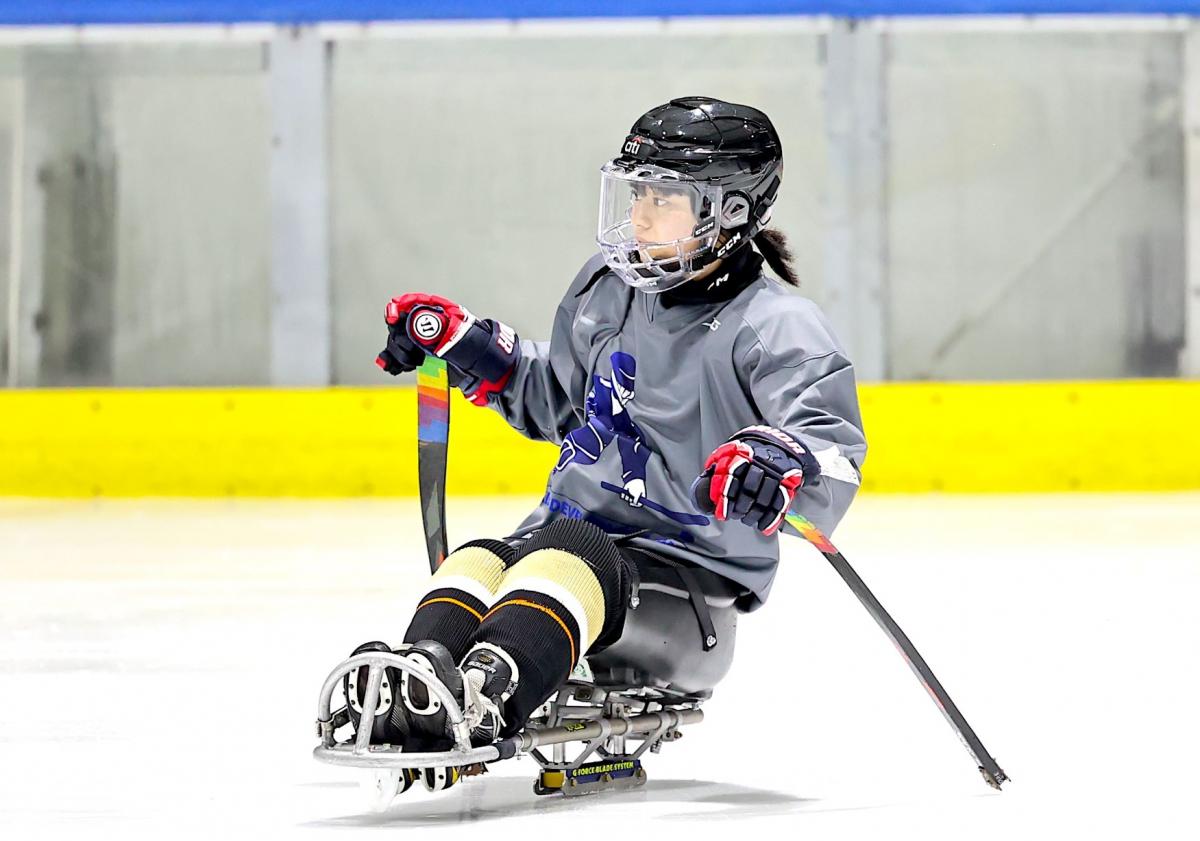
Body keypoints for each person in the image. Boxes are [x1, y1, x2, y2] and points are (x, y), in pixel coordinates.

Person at [351, 96, 867, 788]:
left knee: (571, 553)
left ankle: (481, 696)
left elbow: (831, 447)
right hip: (564, 554)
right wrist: (477, 350)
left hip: (688, 595)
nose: (641, 216)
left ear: (729, 212)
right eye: (638, 193)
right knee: (484, 556)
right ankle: (419, 683)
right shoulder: (607, 290)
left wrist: (780, 462)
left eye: (666, 198)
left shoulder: (778, 326)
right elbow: (561, 403)